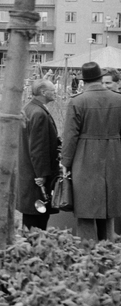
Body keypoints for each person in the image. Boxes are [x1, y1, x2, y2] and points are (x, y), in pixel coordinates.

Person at [60, 61, 121, 241]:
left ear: (83, 81)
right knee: (108, 211)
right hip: (113, 157)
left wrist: (65, 162)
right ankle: (106, 253)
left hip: (85, 158)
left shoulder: (77, 101)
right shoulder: (118, 99)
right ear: (101, 78)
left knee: (85, 211)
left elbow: (70, 136)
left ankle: (87, 257)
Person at [16, 79, 60, 231]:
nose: (55, 92)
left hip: (27, 172)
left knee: (30, 217)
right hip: (36, 176)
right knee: (37, 218)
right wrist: (41, 175)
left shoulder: (29, 109)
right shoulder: (39, 113)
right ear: (43, 92)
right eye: (53, 90)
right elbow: (38, 148)